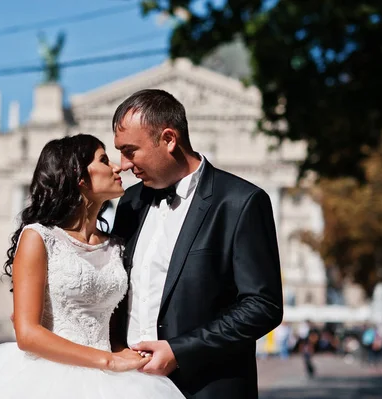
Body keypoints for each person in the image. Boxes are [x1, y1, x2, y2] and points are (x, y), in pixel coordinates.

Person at [0, 134, 184, 398]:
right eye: (103, 160)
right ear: (79, 177)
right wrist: (108, 360)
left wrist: (123, 352)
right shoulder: (39, 237)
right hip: (48, 377)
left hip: (113, 380)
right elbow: (27, 333)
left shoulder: (116, 245)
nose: (117, 167)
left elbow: (112, 323)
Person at [110, 89, 283, 398]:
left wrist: (180, 351)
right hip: (128, 387)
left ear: (168, 139)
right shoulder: (129, 204)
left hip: (206, 388)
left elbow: (263, 306)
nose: (123, 164)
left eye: (130, 150)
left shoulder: (240, 202)